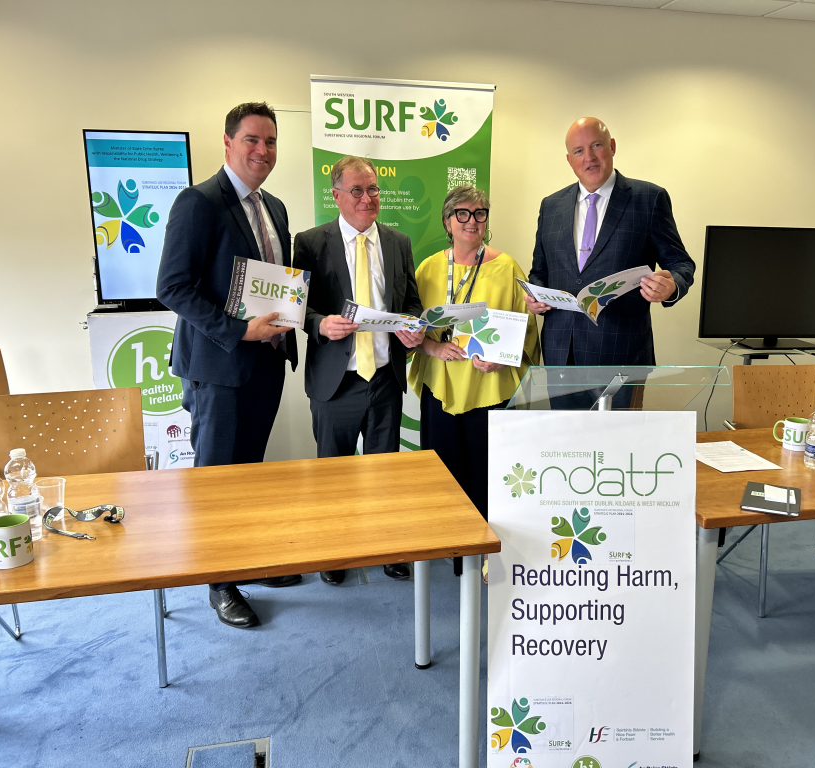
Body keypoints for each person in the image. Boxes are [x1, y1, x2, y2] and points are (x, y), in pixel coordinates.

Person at [157, 102, 301, 629]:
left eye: (270, 142)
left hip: (264, 364)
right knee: (218, 481)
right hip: (219, 368)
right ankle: (220, 584)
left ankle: (247, 562)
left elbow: (274, 281)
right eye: (252, 141)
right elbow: (172, 287)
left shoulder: (275, 208)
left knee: (248, 477)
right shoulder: (198, 202)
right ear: (228, 143)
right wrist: (239, 330)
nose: (262, 151)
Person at [293, 156, 424, 585]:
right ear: (336, 196)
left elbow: (410, 303)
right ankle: (335, 552)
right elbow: (297, 307)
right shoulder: (311, 242)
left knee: (384, 473)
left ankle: (387, 547)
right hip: (336, 382)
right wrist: (318, 324)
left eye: (373, 190)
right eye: (357, 191)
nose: (368, 199)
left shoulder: (399, 242)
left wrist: (413, 327)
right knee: (333, 475)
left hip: (385, 378)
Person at [410, 186, 540, 577]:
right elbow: (413, 329)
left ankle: (486, 551)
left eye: (480, 213)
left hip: (489, 389)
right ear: (448, 222)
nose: (472, 221)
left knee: (488, 473)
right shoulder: (428, 268)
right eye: (463, 214)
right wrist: (432, 349)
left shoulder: (509, 267)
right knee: (445, 472)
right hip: (442, 385)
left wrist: (503, 359)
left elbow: (526, 329)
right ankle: (454, 549)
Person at [526, 117, 695, 371]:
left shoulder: (648, 199)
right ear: (569, 160)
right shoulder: (550, 206)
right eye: (579, 151)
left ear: (612, 146)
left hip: (623, 354)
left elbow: (682, 264)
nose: (589, 158)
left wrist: (671, 287)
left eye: (597, 146)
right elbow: (539, 273)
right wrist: (535, 298)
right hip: (562, 352)